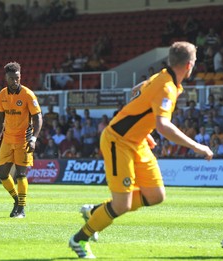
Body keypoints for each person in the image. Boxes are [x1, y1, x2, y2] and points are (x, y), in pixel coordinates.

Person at [68, 41, 213, 259]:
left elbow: (138, 92)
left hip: (137, 142)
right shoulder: (166, 86)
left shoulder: (163, 77)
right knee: (122, 205)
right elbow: (163, 125)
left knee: (155, 195)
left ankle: (95, 212)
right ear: (190, 65)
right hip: (118, 141)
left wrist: (142, 130)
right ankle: (79, 239)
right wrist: (196, 146)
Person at [0, 62, 43, 218]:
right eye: (11, 78)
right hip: (7, 139)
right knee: (2, 174)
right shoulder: (2, 95)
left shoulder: (28, 95)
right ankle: (16, 199)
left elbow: (38, 118)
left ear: (20, 76)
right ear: (6, 78)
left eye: (17, 78)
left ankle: (21, 208)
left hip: (24, 139)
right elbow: (0, 117)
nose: (15, 81)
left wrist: (34, 138)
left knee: (21, 174)